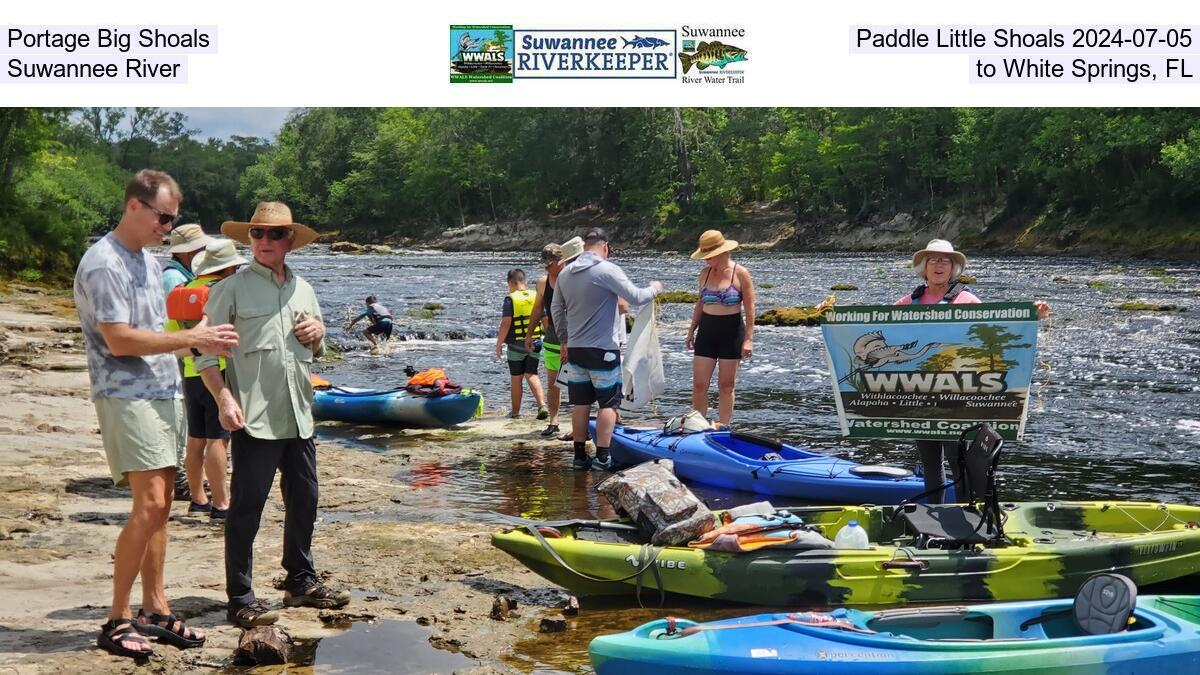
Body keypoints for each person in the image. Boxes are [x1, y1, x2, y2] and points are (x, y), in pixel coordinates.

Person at [74, 169, 237, 658]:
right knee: (148, 506)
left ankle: (155, 608)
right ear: (134, 206)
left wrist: (198, 328)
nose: (168, 227)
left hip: (162, 392)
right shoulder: (104, 263)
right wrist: (192, 338)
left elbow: (157, 327)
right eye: (164, 217)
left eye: (174, 220)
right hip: (126, 395)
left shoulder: (145, 260)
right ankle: (117, 619)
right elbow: (119, 340)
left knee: (163, 504)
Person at [197, 201, 350, 630]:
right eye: (257, 234)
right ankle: (240, 598)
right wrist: (225, 400)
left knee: (306, 501)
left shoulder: (304, 288)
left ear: (289, 242)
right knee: (247, 509)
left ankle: (299, 580)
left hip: (300, 416)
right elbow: (204, 359)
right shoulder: (230, 289)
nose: (264, 241)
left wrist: (321, 334)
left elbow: (318, 345)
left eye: (274, 234)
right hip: (255, 419)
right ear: (249, 239)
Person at [894, 239, 1050, 503]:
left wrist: (1032, 315)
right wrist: (831, 316)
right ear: (924, 267)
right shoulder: (908, 302)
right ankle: (938, 516)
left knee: (958, 461)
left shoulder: (967, 299)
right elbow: (875, 327)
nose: (939, 265)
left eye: (945, 260)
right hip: (920, 395)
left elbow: (999, 326)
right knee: (930, 464)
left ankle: (967, 514)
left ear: (953, 268)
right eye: (933, 259)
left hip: (958, 394)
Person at [551, 228, 662, 470]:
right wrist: (655, 288)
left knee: (580, 404)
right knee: (608, 404)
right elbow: (636, 296)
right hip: (604, 350)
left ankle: (579, 457)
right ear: (606, 246)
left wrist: (564, 340)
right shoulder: (606, 269)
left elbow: (556, 311)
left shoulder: (565, 274)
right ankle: (603, 456)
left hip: (576, 349)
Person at [165, 239, 248, 521]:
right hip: (218, 372)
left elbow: (173, 337)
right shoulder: (222, 292)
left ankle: (198, 499)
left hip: (189, 371)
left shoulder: (182, 290)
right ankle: (222, 504)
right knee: (218, 440)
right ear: (226, 270)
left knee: (196, 438)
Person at [685, 230, 756, 427]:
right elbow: (700, 303)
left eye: (709, 256)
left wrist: (749, 339)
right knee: (700, 384)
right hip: (707, 331)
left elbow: (750, 309)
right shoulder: (704, 274)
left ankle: (724, 426)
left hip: (731, 332)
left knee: (726, 385)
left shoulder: (740, 273)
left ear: (721, 252)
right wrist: (691, 330)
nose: (706, 260)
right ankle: (697, 425)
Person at [525, 240, 578, 437]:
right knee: (553, 382)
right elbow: (537, 309)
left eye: (550, 264)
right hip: (552, 337)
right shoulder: (542, 282)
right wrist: (529, 334)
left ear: (561, 260)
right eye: (544, 265)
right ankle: (554, 421)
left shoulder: (573, 278)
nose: (547, 268)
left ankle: (577, 425)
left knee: (577, 382)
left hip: (575, 337)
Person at [496, 268, 548, 419]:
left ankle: (516, 412)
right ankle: (542, 405)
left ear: (510, 283)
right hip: (535, 342)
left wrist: (499, 343)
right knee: (532, 373)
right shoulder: (536, 295)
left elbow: (506, 323)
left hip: (516, 345)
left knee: (516, 378)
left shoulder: (510, 299)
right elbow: (545, 320)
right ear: (525, 281)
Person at [160, 223, 212, 298]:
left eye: (205, 247)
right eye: (199, 248)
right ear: (180, 253)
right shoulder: (173, 277)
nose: (204, 251)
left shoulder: (188, 273)